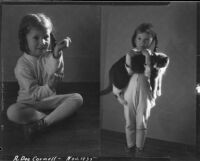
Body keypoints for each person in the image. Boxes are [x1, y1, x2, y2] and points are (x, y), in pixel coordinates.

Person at [6, 13, 83, 140]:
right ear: (24, 39)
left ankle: (44, 123)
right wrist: (50, 86)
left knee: (78, 98)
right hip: (29, 103)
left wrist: (57, 52)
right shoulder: (22, 65)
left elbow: (55, 71)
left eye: (46, 37)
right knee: (12, 112)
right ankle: (51, 119)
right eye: (36, 38)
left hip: (49, 100)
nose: (42, 42)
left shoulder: (49, 55)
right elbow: (33, 94)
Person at [112, 23, 169, 155]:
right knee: (129, 121)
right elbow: (124, 73)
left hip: (145, 92)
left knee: (141, 121)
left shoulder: (156, 58)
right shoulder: (130, 54)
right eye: (139, 39)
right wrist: (128, 58)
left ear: (152, 41)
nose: (142, 42)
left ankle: (140, 147)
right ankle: (130, 145)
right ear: (134, 39)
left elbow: (151, 74)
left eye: (146, 40)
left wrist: (148, 57)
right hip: (129, 92)